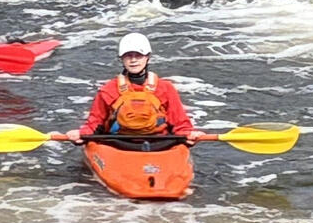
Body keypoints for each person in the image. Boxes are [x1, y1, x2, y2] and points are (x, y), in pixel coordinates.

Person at [65, 32, 207, 143]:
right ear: (122, 59)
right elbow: (95, 123)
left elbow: (180, 123)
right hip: (117, 144)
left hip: (160, 144)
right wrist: (81, 134)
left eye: (138, 55)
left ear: (147, 57)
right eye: (128, 56)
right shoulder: (108, 89)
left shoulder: (165, 88)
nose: (133, 60)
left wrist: (189, 134)